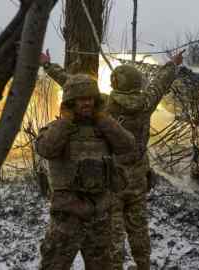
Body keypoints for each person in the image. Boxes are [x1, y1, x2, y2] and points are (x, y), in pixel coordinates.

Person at [39, 50, 183, 270]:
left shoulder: (106, 105)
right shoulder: (146, 102)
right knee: (138, 228)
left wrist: (49, 67)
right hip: (137, 178)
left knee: (112, 236)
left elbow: (74, 85)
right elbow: (160, 84)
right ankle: (143, 265)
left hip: (111, 178)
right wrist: (172, 65)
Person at [35, 72, 135, 270]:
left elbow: (127, 145)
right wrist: (65, 122)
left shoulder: (103, 128)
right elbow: (46, 149)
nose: (86, 103)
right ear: (71, 102)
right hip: (67, 215)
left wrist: (103, 119)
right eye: (80, 99)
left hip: (99, 214)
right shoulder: (58, 128)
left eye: (90, 98)